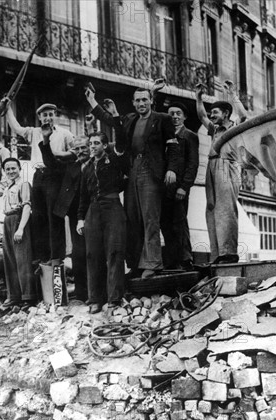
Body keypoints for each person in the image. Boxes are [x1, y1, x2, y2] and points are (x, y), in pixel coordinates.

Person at [85, 87, 180, 279]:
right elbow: (111, 121)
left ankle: (152, 263)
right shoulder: (130, 119)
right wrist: (92, 102)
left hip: (151, 170)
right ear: (133, 102)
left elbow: (173, 146)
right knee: (133, 218)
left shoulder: (162, 119)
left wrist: (171, 169)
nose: (141, 104)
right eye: (137, 101)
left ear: (151, 100)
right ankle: (136, 264)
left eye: (144, 100)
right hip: (132, 169)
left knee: (150, 217)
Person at [5, 102, 74, 264]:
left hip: (56, 176)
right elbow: (16, 128)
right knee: (38, 216)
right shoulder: (34, 132)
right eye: (45, 115)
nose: (48, 118)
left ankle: (56, 256)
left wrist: (59, 154)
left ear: (55, 116)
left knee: (54, 217)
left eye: (51, 114)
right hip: (38, 176)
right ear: (39, 117)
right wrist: (7, 109)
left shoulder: (65, 133)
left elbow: (74, 151)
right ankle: (42, 256)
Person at [195, 82, 248, 264]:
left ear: (225, 113)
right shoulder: (214, 130)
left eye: (215, 112)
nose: (212, 115)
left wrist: (233, 94)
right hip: (211, 167)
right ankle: (217, 254)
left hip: (227, 168)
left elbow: (245, 115)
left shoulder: (235, 127)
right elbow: (201, 116)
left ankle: (229, 253)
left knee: (226, 210)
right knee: (211, 209)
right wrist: (198, 97)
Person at [77, 132, 129, 314]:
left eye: (97, 143)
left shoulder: (114, 161)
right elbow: (83, 196)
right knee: (93, 254)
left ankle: (114, 298)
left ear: (105, 145)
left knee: (114, 252)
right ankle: (95, 299)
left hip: (113, 208)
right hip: (93, 211)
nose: (92, 146)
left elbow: (122, 148)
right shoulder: (87, 168)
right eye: (90, 143)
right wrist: (80, 219)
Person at [40, 134, 89, 301]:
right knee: (79, 252)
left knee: (95, 252)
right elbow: (51, 163)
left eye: (84, 147)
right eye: (78, 148)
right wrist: (46, 141)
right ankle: (83, 293)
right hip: (76, 214)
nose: (81, 151)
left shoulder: (97, 163)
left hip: (94, 212)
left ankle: (98, 291)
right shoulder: (71, 165)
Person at [160, 103, 199, 271]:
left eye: (178, 113)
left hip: (179, 189)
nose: (175, 117)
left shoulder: (189, 136)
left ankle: (185, 259)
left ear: (184, 117)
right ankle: (171, 261)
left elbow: (193, 164)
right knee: (165, 224)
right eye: (171, 114)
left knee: (179, 223)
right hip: (163, 188)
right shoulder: (164, 135)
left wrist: (185, 187)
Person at [1, 157, 37, 308]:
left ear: (19, 169)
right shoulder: (8, 187)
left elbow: (27, 207)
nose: (11, 171)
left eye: (13, 168)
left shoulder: (24, 184)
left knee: (23, 259)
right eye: (7, 169)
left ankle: (28, 297)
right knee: (9, 260)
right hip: (7, 221)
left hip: (19, 219)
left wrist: (21, 228)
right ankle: (14, 296)